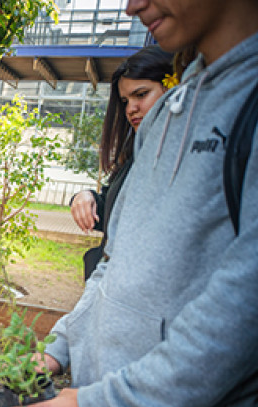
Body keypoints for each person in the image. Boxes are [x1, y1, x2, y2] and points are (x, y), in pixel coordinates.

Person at [4, 1, 258, 407]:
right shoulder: (172, 109)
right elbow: (112, 266)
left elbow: (240, 324)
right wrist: (59, 347)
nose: (131, 5)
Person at [68, 46, 173, 280]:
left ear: (172, 89)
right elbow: (117, 215)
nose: (130, 109)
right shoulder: (137, 153)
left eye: (141, 94)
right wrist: (87, 198)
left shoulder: (184, 158)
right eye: (125, 100)